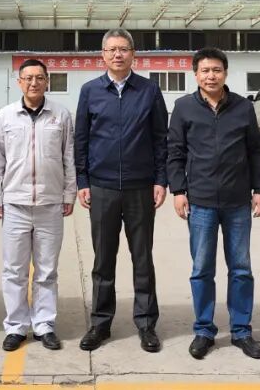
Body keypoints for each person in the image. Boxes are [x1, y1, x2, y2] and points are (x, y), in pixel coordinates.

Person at [167, 47, 260, 361]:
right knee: (201, 269)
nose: (211, 76)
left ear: (225, 73)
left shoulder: (242, 107)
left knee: (241, 269)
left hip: (238, 201)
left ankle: (241, 331)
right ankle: (204, 330)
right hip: (201, 202)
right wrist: (178, 190)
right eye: (205, 71)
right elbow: (175, 152)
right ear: (195, 74)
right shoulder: (183, 107)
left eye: (217, 70)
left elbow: (254, 151)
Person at [74, 29, 168, 353]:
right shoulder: (90, 91)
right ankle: (100, 323)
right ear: (103, 55)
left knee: (142, 258)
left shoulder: (149, 90)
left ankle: (146, 324)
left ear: (133, 54)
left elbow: (160, 138)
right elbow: (81, 139)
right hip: (102, 188)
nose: (118, 54)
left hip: (140, 187)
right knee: (103, 260)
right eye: (112, 49)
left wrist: (160, 179)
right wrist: (83, 181)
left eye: (123, 49)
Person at [0, 58, 75, 352]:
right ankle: (16, 326)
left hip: (50, 204)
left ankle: (44, 325)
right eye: (28, 78)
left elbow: (69, 158)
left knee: (47, 270)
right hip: (15, 204)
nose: (34, 83)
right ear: (19, 82)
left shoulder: (60, 115)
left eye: (39, 78)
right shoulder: (6, 116)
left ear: (47, 81)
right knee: (15, 270)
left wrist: (69, 194)